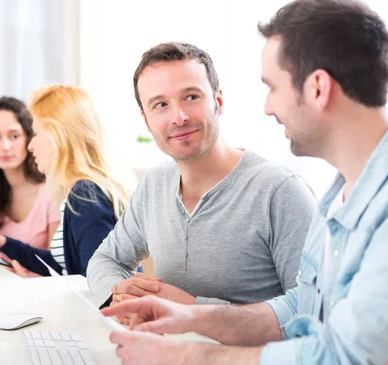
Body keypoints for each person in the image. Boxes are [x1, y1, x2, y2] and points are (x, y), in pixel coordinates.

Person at [101, 0, 388, 365]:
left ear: (317, 88)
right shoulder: (343, 193)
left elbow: (344, 360)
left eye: (272, 86)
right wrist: (193, 317)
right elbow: (301, 310)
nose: (268, 106)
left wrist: (188, 359)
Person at [87, 42, 316, 310]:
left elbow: (310, 309)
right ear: (146, 120)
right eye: (160, 104)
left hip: (246, 352)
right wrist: (120, 297)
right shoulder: (154, 185)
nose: (179, 117)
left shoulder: (280, 191)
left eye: (192, 97)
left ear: (217, 101)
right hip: (165, 349)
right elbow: (105, 260)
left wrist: (193, 307)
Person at [0, 85, 130, 277]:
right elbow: (62, 266)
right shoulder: (78, 192)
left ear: (59, 137)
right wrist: (3, 243)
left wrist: (37, 284)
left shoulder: (86, 196)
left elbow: (99, 288)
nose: (30, 146)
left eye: (36, 133)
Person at [0, 97, 60, 249]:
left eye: (14, 136)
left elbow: (57, 266)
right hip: (2, 273)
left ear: (29, 138)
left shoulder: (51, 191)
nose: (5, 146)